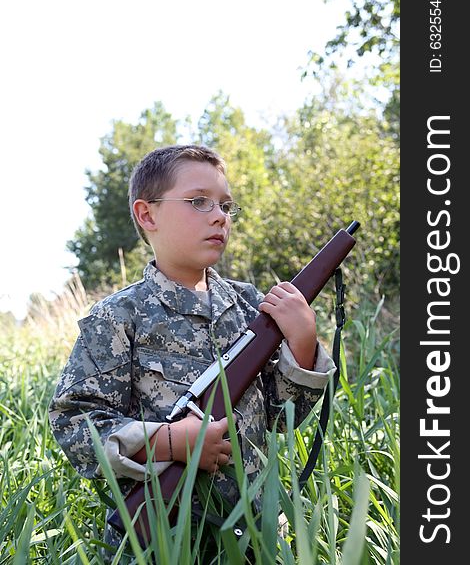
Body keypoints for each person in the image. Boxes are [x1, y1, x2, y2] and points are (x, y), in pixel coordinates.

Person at [49, 144, 336, 560]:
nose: (219, 216)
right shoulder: (118, 316)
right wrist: (168, 442)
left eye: (225, 205)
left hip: (256, 534)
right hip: (162, 541)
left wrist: (303, 344)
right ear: (147, 215)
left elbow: (282, 417)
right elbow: (75, 425)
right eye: (198, 202)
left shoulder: (252, 308)